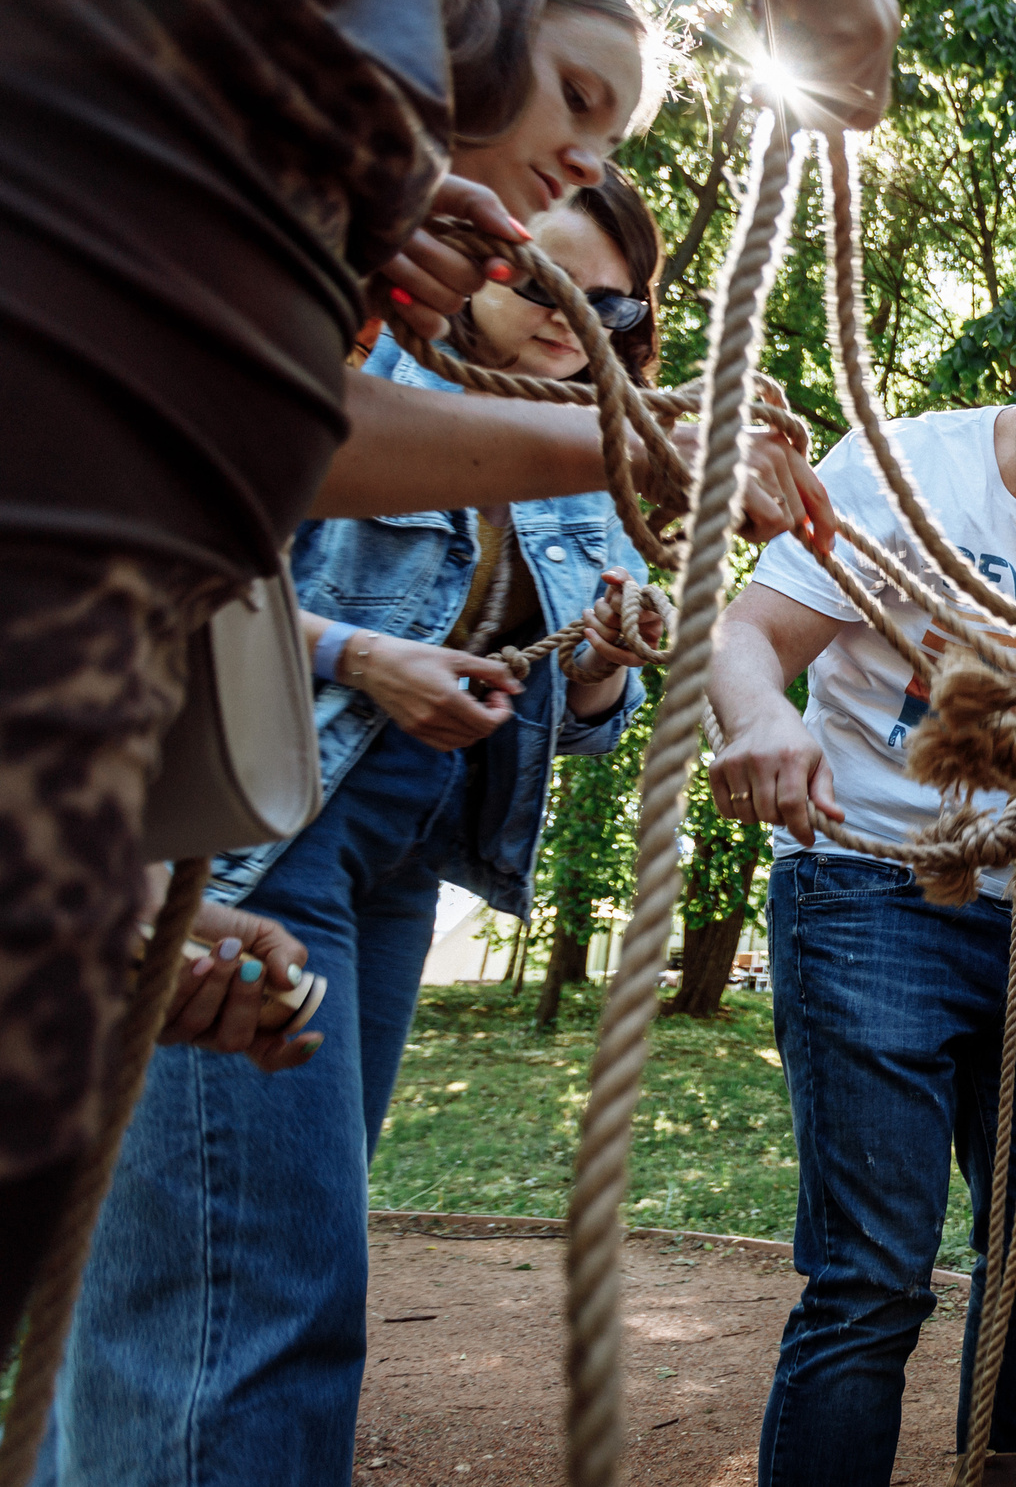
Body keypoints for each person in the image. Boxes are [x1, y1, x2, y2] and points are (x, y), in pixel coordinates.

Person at [0, 0, 894, 1345]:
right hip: (237, 816)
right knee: (247, 1306)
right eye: (578, 97)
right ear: (436, 15)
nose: (573, 174)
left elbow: (230, 462)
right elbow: (268, 430)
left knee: (197, 1286)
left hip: (201, 832)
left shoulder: (315, 270)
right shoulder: (173, 85)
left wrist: (134, 882)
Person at [37, 168, 669, 1487]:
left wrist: (607, 654)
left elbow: (600, 711)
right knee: (262, 1278)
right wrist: (358, 652)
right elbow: (188, 559)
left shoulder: (582, 441)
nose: (575, 315)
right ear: (476, 254)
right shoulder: (356, 361)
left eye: (609, 300)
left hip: (401, 863)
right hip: (266, 834)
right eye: (545, 279)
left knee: (231, 1254)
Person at [705, 268, 1016, 1487]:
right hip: (871, 893)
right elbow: (747, 634)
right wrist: (763, 723)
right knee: (874, 1275)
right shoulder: (905, 467)